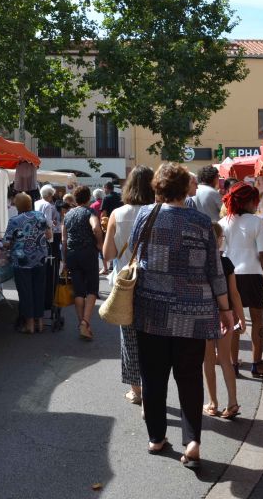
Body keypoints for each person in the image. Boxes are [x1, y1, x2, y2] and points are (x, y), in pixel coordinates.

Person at [129, 162, 234, 468]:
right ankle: (193, 441)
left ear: (158, 187)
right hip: (195, 313)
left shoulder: (145, 215)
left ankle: (156, 438)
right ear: (186, 187)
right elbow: (215, 271)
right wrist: (225, 310)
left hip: (151, 310)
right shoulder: (201, 221)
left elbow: (134, 254)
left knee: (154, 376)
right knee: (189, 377)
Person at [103, 165, 155, 406]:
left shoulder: (118, 213)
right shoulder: (158, 211)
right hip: (154, 284)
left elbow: (108, 253)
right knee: (153, 339)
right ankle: (154, 387)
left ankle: (137, 390)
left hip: (126, 285)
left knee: (130, 339)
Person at [219, 183, 263, 377]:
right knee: (257, 319)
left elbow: (220, 252)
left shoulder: (224, 221)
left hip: (230, 275)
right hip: (253, 273)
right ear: (250, 201)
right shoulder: (257, 222)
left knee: (232, 321)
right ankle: (257, 363)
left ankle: (233, 364)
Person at [203, 223, 246, 418]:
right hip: (226, 314)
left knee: (208, 360)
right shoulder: (226, 262)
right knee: (226, 359)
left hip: (205, 314)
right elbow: (235, 294)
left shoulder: (200, 261)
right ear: (219, 240)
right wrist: (242, 318)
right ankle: (233, 402)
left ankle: (213, 402)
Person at [4, 192, 52, 334]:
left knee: (26, 291)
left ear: (17, 205)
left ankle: (30, 324)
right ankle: (40, 323)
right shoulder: (40, 216)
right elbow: (49, 235)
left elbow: (6, 242)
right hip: (40, 258)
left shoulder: (15, 220)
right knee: (39, 289)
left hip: (22, 260)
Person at [62, 185, 104, 340]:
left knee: (78, 290)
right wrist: (99, 243)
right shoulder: (90, 212)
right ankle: (85, 322)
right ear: (88, 199)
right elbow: (96, 228)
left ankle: (82, 324)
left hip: (72, 254)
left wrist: (65, 258)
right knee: (92, 289)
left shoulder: (68, 214)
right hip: (88, 253)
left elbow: (63, 239)